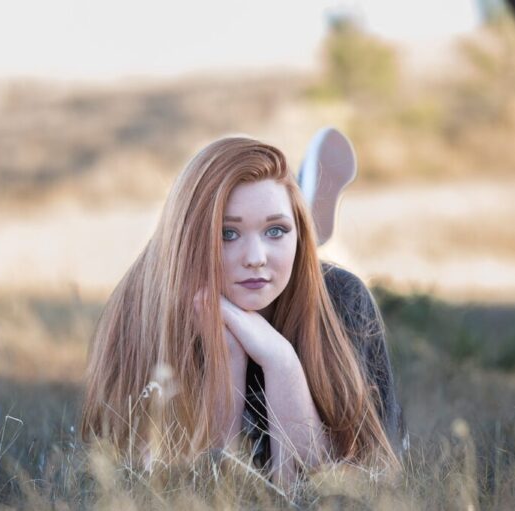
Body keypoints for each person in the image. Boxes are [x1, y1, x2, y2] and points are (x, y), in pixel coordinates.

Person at [80, 136, 404, 484]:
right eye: (227, 234)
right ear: (190, 237)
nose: (255, 258)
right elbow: (185, 491)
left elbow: (346, 485)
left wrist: (281, 361)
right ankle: (293, 205)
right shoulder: (145, 309)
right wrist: (229, 356)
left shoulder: (341, 299)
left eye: (276, 230)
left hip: (308, 273)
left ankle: (300, 205)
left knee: (307, 267)